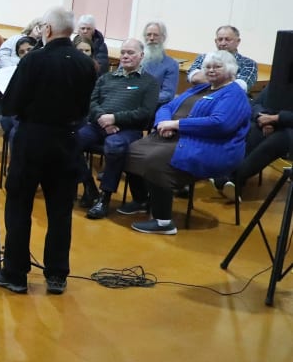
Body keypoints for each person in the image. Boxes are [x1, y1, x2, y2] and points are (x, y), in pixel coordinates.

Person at [0, 7, 97, 295]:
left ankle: (15, 274)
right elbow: (86, 108)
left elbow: (10, 105)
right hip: (68, 141)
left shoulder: (34, 59)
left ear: (46, 29)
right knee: (60, 211)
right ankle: (57, 275)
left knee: (20, 204)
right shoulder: (85, 64)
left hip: (33, 139)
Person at [120, 50, 251, 235]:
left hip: (211, 147)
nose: (211, 70)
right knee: (131, 150)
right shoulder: (201, 88)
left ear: (230, 69)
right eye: (207, 67)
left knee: (155, 161)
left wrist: (177, 124)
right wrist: (162, 125)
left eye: (217, 66)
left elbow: (220, 124)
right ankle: (143, 200)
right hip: (177, 137)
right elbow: (167, 106)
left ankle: (164, 222)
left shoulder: (234, 94)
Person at [77, 38, 159, 219]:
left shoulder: (149, 82)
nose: (125, 56)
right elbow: (91, 103)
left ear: (141, 56)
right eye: (123, 52)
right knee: (71, 140)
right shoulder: (106, 77)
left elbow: (146, 112)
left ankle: (104, 198)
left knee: (114, 146)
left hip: (128, 130)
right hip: (99, 125)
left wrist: (115, 118)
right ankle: (89, 187)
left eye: (131, 53)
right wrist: (103, 119)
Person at [212, 83, 293, 200]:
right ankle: (230, 180)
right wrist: (261, 117)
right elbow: (255, 104)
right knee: (252, 129)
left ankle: (232, 179)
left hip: (288, 129)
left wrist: (276, 119)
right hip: (268, 122)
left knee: (277, 140)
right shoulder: (279, 82)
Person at [186, 25, 257, 93]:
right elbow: (194, 78)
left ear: (238, 41)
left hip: (229, 99)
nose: (223, 43)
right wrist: (228, 80)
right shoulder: (203, 57)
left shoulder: (248, 63)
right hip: (200, 96)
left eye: (227, 39)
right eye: (220, 39)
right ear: (215, 41)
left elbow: (240, 86)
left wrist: (208, 77)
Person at [140, 21, 180, 105]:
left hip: (151, 106)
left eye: (155, 35)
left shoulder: (171, 65)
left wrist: (142, 98)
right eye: (148, 35)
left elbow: (168, 94)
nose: (151, 38)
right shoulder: (133, 58)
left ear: (163, 38)